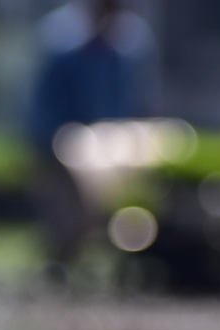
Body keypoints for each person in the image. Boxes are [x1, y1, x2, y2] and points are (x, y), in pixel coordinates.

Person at [27, 0, 158, 277]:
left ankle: (118, 259)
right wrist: (49, 142)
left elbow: (134, 99)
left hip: (111, 145)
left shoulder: (130, 41)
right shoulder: (62, 37)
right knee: (65, 210)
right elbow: (46, 103)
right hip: (63, 141)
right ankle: (61, 259)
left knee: (119, 206)